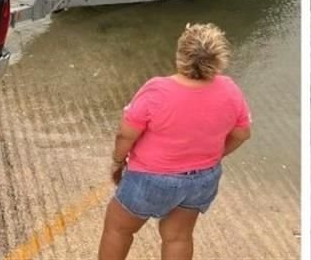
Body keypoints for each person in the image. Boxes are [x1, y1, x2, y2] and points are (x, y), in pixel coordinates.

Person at [98, 23, 252, 260]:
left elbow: (126, 134)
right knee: (178, 236)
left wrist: (117, 161)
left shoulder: (157, 89)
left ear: (181, 55)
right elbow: (242, 133)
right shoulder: (230, 89)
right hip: (202, 178)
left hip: (151, 178)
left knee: (119, 228)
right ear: (218, 58)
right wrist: (214, 156)